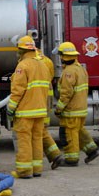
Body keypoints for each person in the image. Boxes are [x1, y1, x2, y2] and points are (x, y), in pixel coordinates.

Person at [7, 35, 50, 178]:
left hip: (26, 111)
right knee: (37, 139)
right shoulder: (43, 65)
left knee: (24, 139)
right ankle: (37, 169)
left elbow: (18, 90)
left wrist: (10, 108)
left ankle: (24, 170)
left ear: (22, 50)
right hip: (40, 110)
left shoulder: (23, 65)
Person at [53, 41, 99, 166]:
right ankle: (92, 150)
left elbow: (66, 93)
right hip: (81, 108)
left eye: (61, 55)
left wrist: (59, 108)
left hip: (71, 110)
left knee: (70, 133)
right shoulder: (80, 69)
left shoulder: (69, 72)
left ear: (63, 56)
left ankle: (71, 159)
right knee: (79, 130)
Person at [34, 40, 64, 169]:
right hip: (47, 97)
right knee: (42, 128)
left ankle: (55, 155)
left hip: (37, 97)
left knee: (39, 129)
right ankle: (54, 155)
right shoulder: (47, 61)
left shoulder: (29, 62)